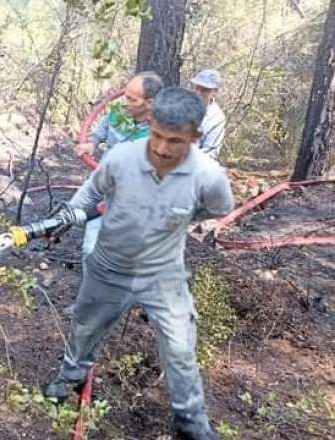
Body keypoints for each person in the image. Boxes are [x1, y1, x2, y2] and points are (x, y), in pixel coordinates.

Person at [45, 87, 234, 440]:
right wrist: (66, 217)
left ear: (196, 136)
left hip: (163, 274)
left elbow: (218, 208)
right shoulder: (122, 157)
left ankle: (191, 422)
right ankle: (67, 381)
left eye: (174, 141)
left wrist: (179, 218)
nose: (162, 148)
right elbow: (89, 194)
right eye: (157, 135)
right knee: (85, 330)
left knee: (180, 347)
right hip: (109, 267)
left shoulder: (209, 176)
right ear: (150, 123)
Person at [73, 72, 164, 260]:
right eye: (125, 95)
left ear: (150, 103)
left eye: (131, 99)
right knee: (70, 214)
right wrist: (92, 143)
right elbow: (101, 132)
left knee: (92, 251)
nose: (124, 101)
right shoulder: (119, 111)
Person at [190, 69, 227, 160]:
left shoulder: (217, 118)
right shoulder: (182, 103)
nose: (198, 93)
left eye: (205, 90)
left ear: (215, 91)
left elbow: (210, 152)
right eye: (197, 88)